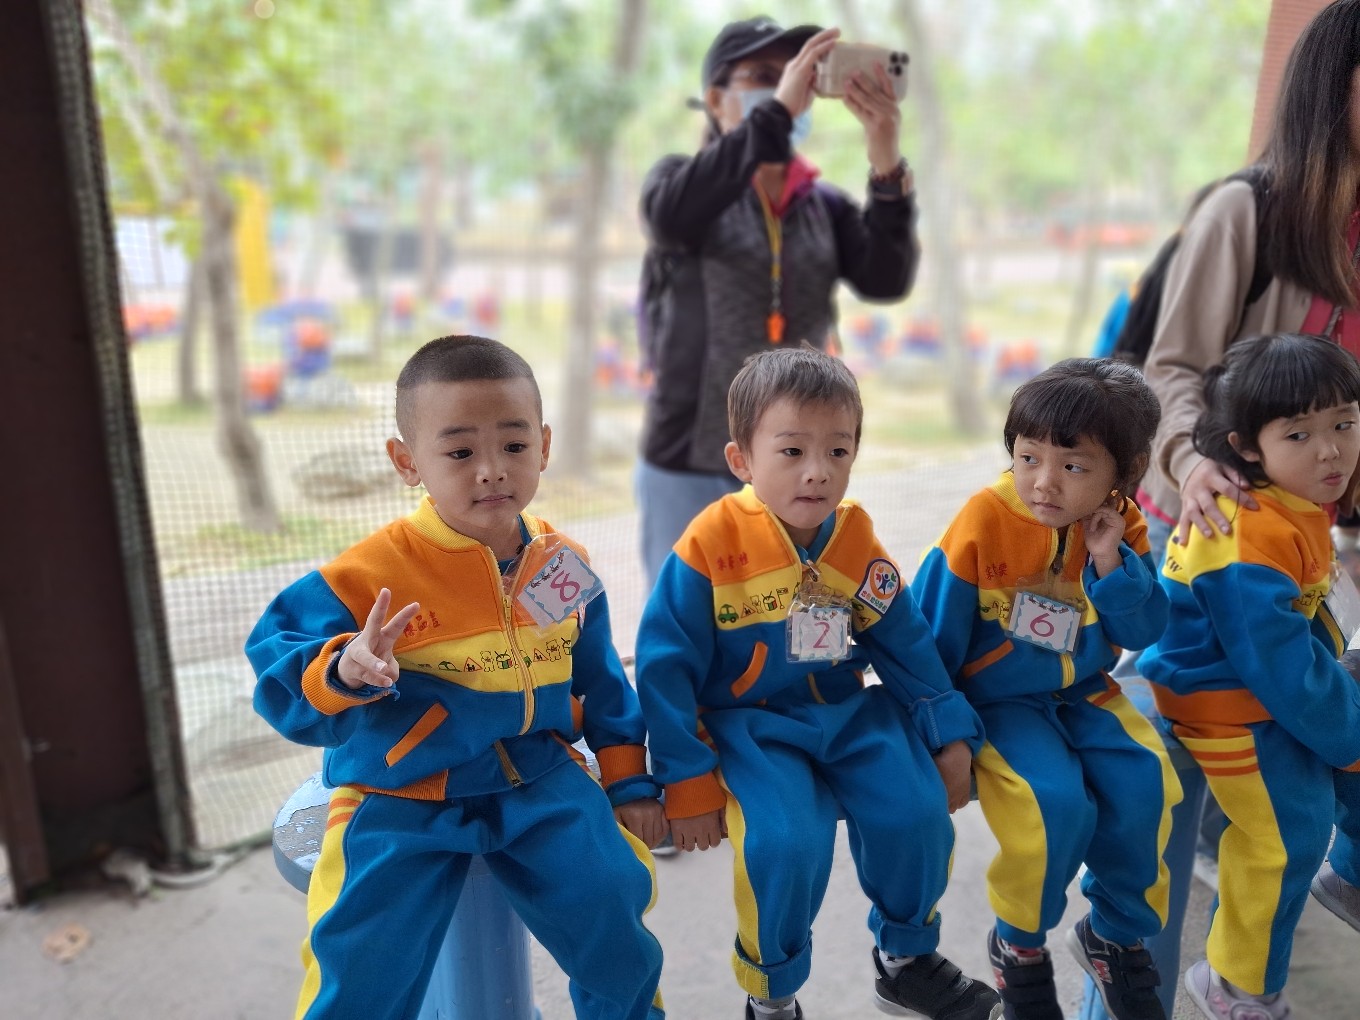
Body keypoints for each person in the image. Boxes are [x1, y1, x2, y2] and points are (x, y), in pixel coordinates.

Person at [246, 335, 667, 1020]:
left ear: (544, 446)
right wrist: (343, 669)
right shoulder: (368, 574)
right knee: (359, 961)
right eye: (460, 452)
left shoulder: (563, 565)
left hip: (540, 777)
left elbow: (599, 683)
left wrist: (627, 779)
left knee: (616, 914)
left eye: (514, 445)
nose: (492, 471)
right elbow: (275, 661)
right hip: (400, 791)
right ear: (407, 462)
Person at [634, 346, 1002, 1020]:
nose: (818, 471)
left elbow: (904, 642)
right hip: (749, 726)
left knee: (917, 812)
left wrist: (948, 733)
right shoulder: (708, 545)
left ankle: (906, 960)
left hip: (848, 711)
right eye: (792, 451)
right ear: (742, 460)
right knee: (784, 843)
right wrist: (685, 781)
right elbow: (664, 667)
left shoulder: (855, 539)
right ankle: (772, 994)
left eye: (838, 451)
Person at [1130, 4, 1360, 1012]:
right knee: (1208, 756)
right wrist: (1191, 463)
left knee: (1292, 734)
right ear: (1332, 88)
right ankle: (1163, 976)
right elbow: (1170, 368)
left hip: (1309, 529)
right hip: (1211, 515)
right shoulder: (1248, 211)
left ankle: (1297, 897)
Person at [910, 359, 1181, 1020]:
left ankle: (1113, 936)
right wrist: (944, 734)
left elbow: (1143, 630)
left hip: (1086, 691)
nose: (1043, 482)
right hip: (1000, 704)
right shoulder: (984, 519)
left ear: (1126, 472)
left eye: (1074, 466)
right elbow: (927, 639)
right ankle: (1019, 947)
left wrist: (1112, 561)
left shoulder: (1121, 524)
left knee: (1148, 782)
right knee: (1051, 806)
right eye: (1028, 457)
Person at [636, 15, 921, 591]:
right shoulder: (682, 183)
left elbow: (886, 279)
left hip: (797, 462)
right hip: (690, 456)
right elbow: (670, 218)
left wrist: (886, 164)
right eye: (763, 75)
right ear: (716, 99)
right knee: (683, 617)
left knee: (788, 613)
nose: (786, 87)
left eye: (796, 75)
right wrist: (775, 115)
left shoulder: (824, 205)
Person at [1139, 333, 1360, 1020]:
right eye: (1299, 434)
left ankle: (1350, 877)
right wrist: (1350, 735)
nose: (1330, 451)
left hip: (1272, 681)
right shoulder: (1245, 533)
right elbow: (1281, 670)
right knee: (1287, 835)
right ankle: (1235, 985)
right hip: (1221, 701)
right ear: (1247, 446)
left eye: (1345, 424)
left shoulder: (1290, 497)